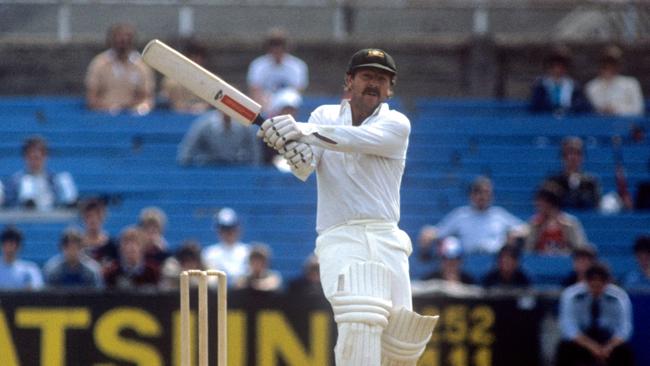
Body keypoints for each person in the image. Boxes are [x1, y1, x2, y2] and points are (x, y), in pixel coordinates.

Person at [257, 48, 438, 366]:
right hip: (340, 237)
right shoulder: (323, 116)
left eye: (382, 79)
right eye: (367, 76)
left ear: (390, 88)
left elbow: (357, 139)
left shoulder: (397, 125)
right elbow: (304, 167)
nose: (374, 84)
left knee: (400, 344)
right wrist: (291, 149)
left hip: (386, 238)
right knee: (360, 318)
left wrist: (299, 131)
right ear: (349, 81)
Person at [418, 176, 527, 256]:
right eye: (478, 192)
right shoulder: (461, 215)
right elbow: (439, 232)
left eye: (486, 193)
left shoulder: (499, 215)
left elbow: (525, 229)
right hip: (466, 264)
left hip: (495, 264)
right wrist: (428, 233)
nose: (482, 197)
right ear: (471, 195)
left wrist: (512, 235)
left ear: (491, 196)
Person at [556, 262, 635, 366]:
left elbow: (625, 328)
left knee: (625, 351)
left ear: (607, 282)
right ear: (586, 281)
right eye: (592, 285)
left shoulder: (619, 297)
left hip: (608, 340)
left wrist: (609, 347)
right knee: (564, 348)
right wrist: (591, 346)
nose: (596, 289)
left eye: (600, 285)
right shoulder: (571, 295)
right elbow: (568, 327)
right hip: (582, 339)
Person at [85, 23, 155, 115]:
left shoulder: (142, 65)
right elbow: (91, 98)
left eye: (127, 36)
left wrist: (138, 108)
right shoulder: (99, 63)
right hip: (104, 115)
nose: (123, 40)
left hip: (132, 115)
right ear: (111, 40)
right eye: (119, 36)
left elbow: (147, 97)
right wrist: (109, 108)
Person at [2, 136, 78, 211]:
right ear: (25, 158)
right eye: (30, 158)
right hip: (23, 219)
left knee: (64, 178)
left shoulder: (55, 179)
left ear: (45, 157)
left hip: (51, 219)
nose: (34, 162)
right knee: (27, 182)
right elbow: (8, 204)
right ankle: (29, 205)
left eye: (37, 158)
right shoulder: (15, 180)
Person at [246, 28, 308, 113]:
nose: (277, 49)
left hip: (285, 97)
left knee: (290, 98)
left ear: (286, 47)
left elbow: (298, 90)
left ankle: (287, 123)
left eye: (280, 45)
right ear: (268, 47)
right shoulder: (258, 64)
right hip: (265, 97)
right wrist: (263, 103)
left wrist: (280, 103)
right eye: (273, 45)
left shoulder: (297, 65)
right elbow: (254, 89)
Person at [176, 109, 262, 166]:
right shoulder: (203, 124)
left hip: (236, 169)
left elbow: (255, 153)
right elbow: (187, 151)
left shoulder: (246, 126)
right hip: (209, 171)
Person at [525, 183, 589, 255]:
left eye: (540, 204)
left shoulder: (570, 222)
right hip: (540, 263)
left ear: (550, 204)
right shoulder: (534, 223)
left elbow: (580, 247)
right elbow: (528, 250)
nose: (537, 207)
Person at [529, 46, 591, 115]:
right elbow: (536, 106)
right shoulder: (540, 86)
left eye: (561, 66)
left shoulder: (574, 86)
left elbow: (581, 105)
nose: (558, 70)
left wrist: (567, 110)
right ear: (549, 67)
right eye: (554, 66)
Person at [543, 136, 601, 210]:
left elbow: (596, 206)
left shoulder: (591, 182)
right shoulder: (552, 181)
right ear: (562, 156)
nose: (573, 157)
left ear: (583, 157)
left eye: (577, 153)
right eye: (569, 153)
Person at [585, 45, 644, 117]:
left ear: (619, 65)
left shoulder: (631, 84)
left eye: (613, 63)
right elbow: (589, 112)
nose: (609, 67)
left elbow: (638, 109)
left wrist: (616, 110)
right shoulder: (591, 86)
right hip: (600, 125)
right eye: (605, 63)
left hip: (625, 125)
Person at [202, 207, 251, 286]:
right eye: (224, 229)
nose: (228, 232)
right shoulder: (209, 253)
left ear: (238, 229)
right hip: (216, 296)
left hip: (243, 296)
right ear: (218, 230)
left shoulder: (248, 251)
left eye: (231, 228)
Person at [161, 39, 210, 114]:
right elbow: (165, 100)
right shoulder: (171, 81)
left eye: (200, 57)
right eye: (193, 56)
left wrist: (203, 106)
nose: (197, 60)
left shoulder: (211, 82)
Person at [79, 198, 118, 266]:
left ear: (103, 217)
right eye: (89, 216)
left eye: (97, 216)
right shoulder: (77, 245)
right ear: (83, 218)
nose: (93, 220)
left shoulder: (112, 245)